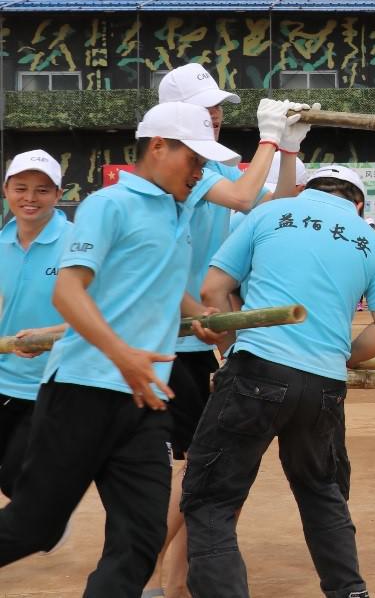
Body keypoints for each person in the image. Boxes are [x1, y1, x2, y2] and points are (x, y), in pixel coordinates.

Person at [0, 102, 239, 594]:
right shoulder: (109, 205)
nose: (200, 172)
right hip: (82, 391)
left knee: (140, 538)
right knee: (33, 526)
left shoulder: (177, 211)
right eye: (194, 159)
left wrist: (199, 317)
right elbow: (68, 292)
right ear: (159, 147)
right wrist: (122, 354)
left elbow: (161, 282)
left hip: (147, 399)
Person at [183, 164, 375, 597]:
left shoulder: (270, 213)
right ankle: (350, 592)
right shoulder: (370, 242)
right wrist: (339, 355)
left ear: (307, 189)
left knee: (211, 499)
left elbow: (213, 290)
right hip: (324, 386)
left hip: (256, 369)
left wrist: (232, 346)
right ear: (358, 204)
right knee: (322, 491)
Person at [149, 63, 310, 598]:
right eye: (205, 108)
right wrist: (268, 139)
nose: (216, 116)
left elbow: (274, 206)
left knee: (199, 466)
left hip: (199, 334)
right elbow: (243, 198)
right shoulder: (185, 168)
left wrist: (287, 150)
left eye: (218, 107)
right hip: (169, 339)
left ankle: (173, 583)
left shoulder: (212, 165)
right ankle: (142, 572)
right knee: (190, 469)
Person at [0, 151, 74, 503]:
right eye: (21, 188)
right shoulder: (1, 244)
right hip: (4, 379)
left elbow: (102, 314)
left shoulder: (77, 243)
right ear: (6, 190)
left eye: (42, 190)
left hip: (56, 384)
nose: (30, 198)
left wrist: (51, 335)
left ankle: (51, 520)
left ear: (58, 194)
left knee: (18, 480)